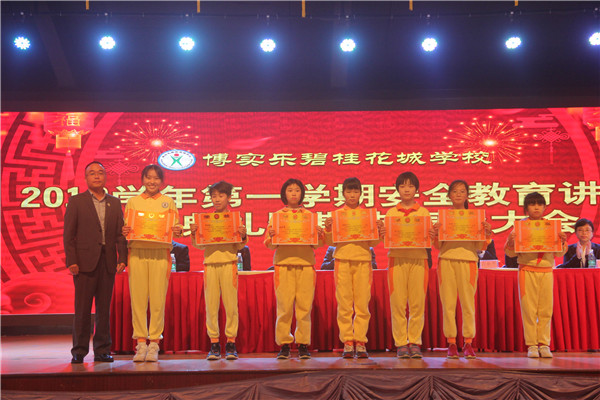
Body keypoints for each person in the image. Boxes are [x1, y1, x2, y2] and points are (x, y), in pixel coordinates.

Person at [64, 161, 127, 364]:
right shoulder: (76, 201)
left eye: (101, 172)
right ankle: (79, 351)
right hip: (83, 264)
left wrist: (122, 257)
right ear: (86, 178)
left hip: (107, 262)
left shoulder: (114, 202)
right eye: (92, 173)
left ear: (106, 177)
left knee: (103, 309)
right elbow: (69, 235)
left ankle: (102, 350)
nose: (97, 176)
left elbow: (120, 234)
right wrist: (72, 261)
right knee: (82, 309)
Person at [122, 165, 183, 362]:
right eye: (148, 177)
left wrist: (178, 229)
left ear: (161, 181)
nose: (152, 182)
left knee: (157, 300)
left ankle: (154, 343)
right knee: (138, 300)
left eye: (156, 178)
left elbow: (175, 226)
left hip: (160, 254)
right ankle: (141, 343)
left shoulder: (168, 201)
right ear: (142, 179)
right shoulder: (133, 201)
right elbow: (127, 226)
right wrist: (125, 230)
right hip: (137, 253)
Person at [431, 180, 492, 360]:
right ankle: (451, 342)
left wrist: (486, 233)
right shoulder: (443, 218)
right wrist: (436, 234)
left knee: (468, 303)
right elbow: (438, 246)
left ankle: (468, 342)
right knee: (448, 303)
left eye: (462, 191)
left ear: (467, 195)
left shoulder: (475, 218)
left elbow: (480, 246)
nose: (458, 194)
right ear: (449, 195)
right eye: (455, 191)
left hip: (468, 261)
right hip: (446, 260)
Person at [265, 178, 324, 360]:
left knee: (304, 307)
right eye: (290, 190)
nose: (293, 193)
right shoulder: (277, 216)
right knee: (284, 307)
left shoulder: (309, 216)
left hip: (306, 264)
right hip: (283, 265)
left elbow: (317, 244)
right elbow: (269, 244)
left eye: (297, 190)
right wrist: (272, 236)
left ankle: (303, 344)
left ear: (302, 194)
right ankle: (284, 344)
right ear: (284, 194)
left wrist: (319, 235)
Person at [324, 177, 382, 359]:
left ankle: (361, 341)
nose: (352, 195)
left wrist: (379, 232)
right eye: (349, 191)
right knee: (344, 303)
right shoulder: (337, 215)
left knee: (362, 303)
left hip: (363, 260)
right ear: (343, 194)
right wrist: (328, 229)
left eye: (355, 191)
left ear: (360, 194)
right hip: (342, 259)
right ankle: (348, 341)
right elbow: (330, 242)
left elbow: (373, 242)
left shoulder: (367, 215)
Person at [504, 192, 567, 358]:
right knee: (529, 309)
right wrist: (511, 241)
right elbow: (510, 254)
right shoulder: (520, 227)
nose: (536, 207)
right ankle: (532, 345)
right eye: (532, 204)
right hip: (527, 270)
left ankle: (544, 344)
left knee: (546, 309)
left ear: (545, 207)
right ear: (526, 208)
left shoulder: (551, 227)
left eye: (540, 204)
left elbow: (558, 253)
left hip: (546, 270)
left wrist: (562, 241)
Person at [190, 181, 247, 360]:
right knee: (211, 305)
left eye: (221, 195)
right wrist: (194, 233)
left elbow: (240, 245)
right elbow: (199, 245)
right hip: (210, 264)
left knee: (231, 305)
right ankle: (214, 343)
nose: (217, 199)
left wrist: (243, 234)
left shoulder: (235, 219)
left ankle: (230, 343)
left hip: (229, 263)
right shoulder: (205, 220)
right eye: (214, 196)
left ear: (229, 197)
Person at [384, 172, 432, 359]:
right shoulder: (391, 213)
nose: (406, 189)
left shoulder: (424, 212)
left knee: (417, 303)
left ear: (416, 189)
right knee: (397, 303)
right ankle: (401, 343)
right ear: (397, 189)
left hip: (419, 260)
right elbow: (386, 237)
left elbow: (429, 238)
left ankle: (414, 341)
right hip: (396, 260)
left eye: (411, 186)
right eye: (403, 186)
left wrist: (432, 233)